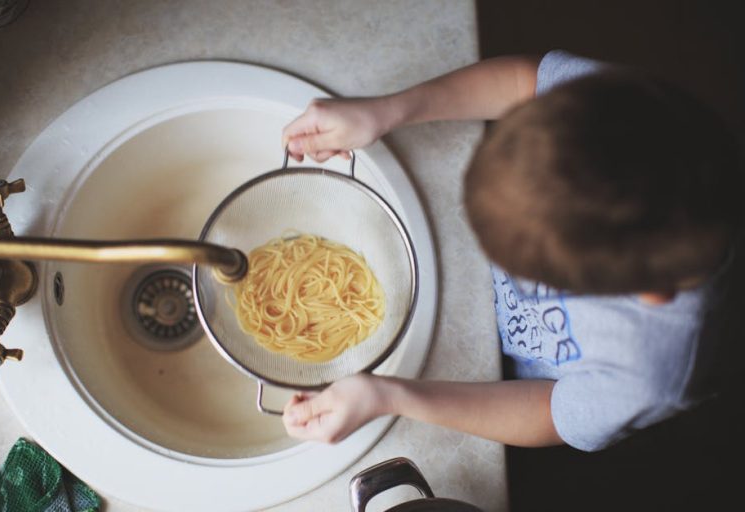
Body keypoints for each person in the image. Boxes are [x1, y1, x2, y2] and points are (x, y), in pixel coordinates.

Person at [278, 50, 743, 452]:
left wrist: (391, 398)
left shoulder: (655, 374)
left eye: (531, 274)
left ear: (649, 292)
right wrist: (385, 111)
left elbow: (549, 413)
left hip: (500, 379)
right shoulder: (623, 113)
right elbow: (526, 80)